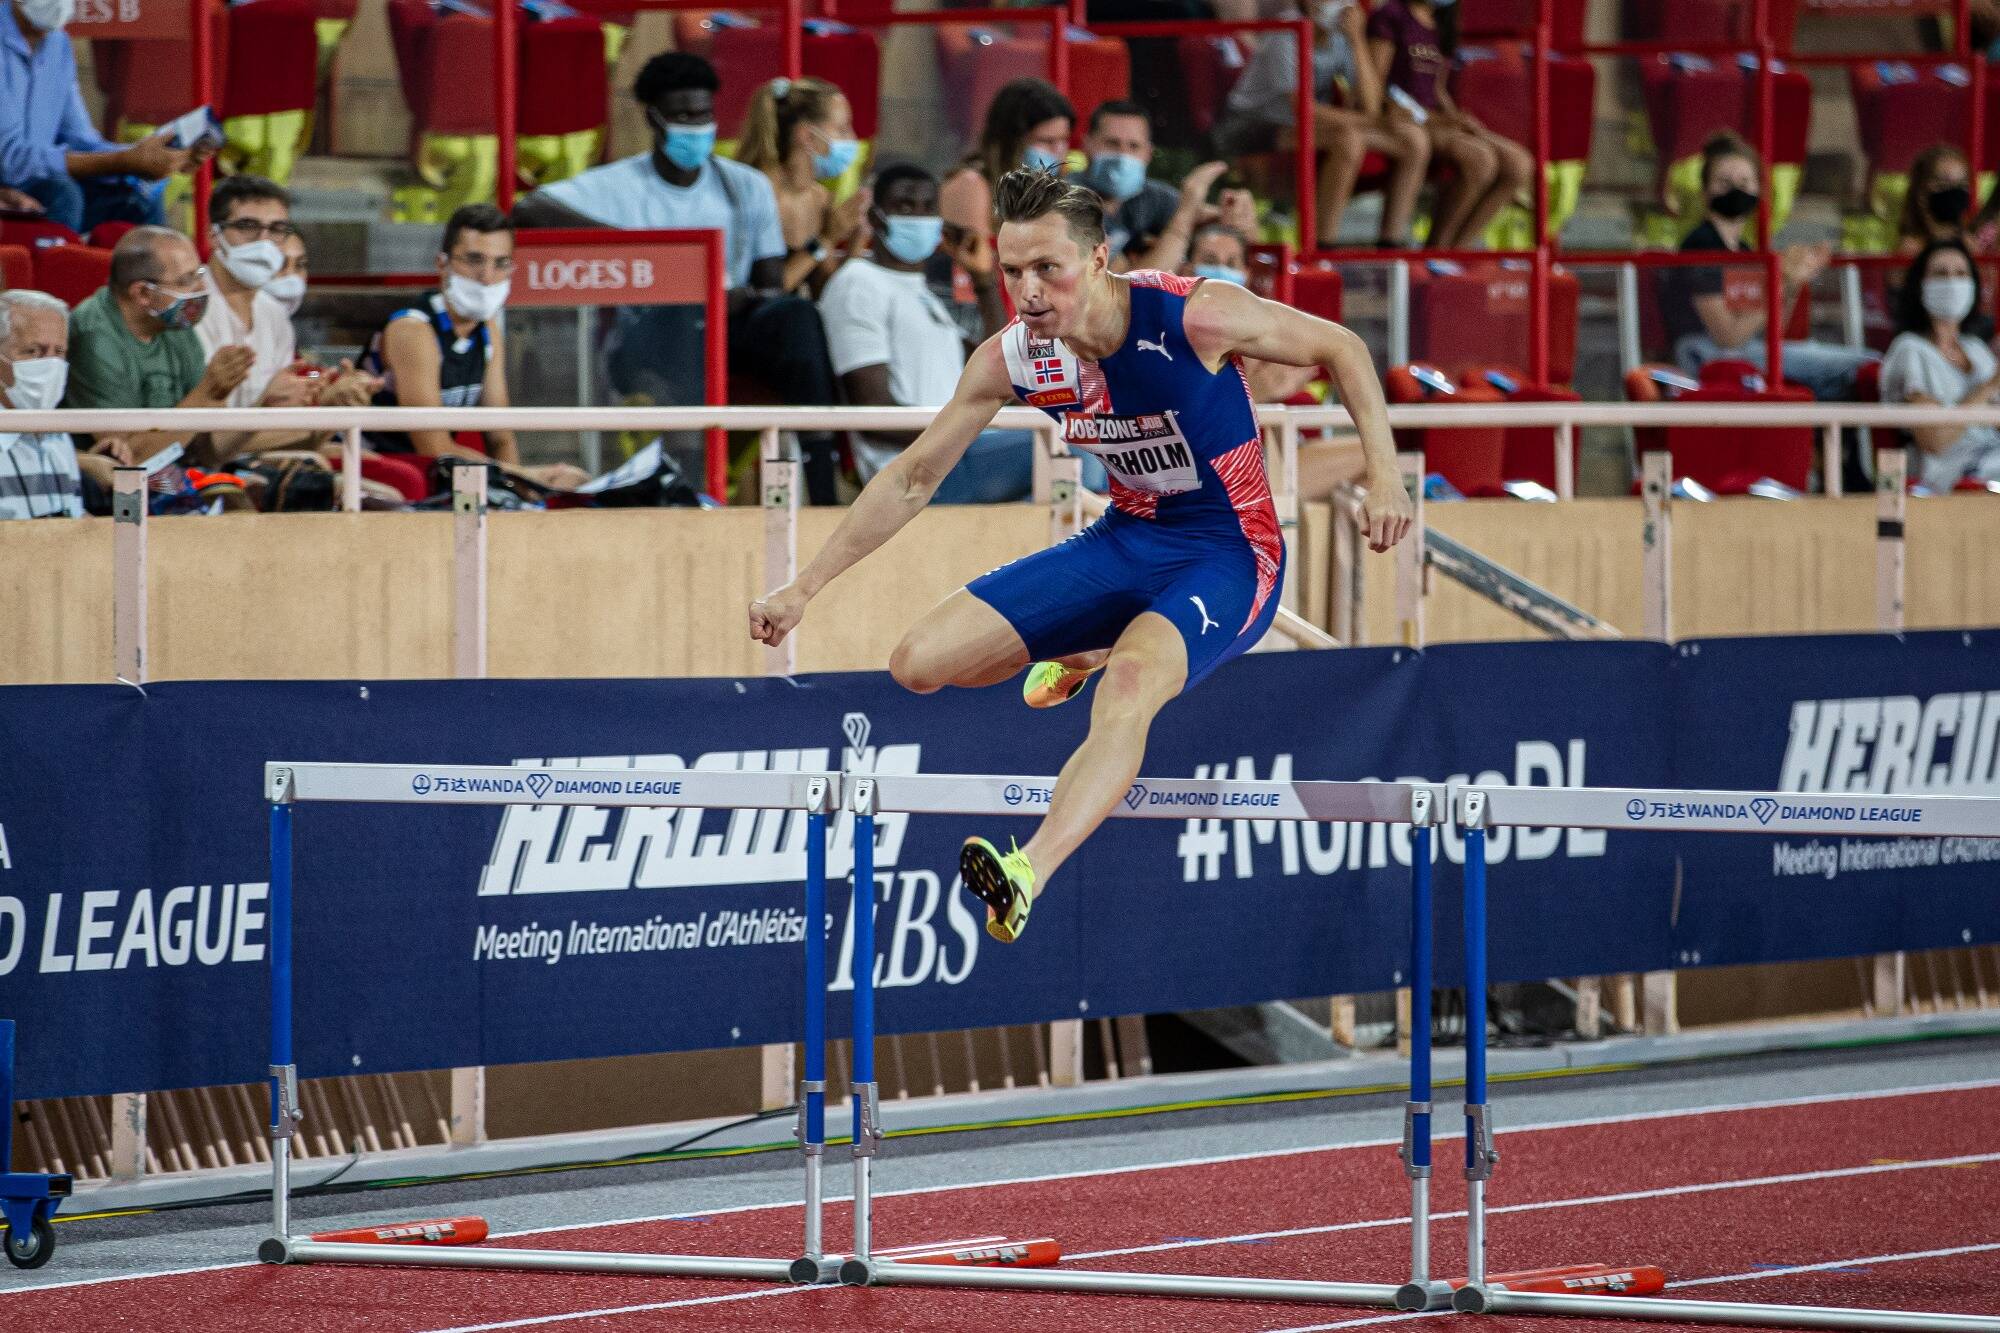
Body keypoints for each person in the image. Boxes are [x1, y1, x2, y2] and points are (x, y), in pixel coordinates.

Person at [750, 168, 1410, 942]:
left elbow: (1344, 346)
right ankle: (1091, 641)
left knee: (1129, 687)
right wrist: (806, 586)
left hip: (1227, 555)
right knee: (918, 663)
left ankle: (1027, 870)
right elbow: (913, 475)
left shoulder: (1196, 315)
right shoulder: (1017, 357)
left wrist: (1387, 477)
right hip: (1125, 540)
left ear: (1097, 261)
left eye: (1046, 270)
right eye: (1011, 271)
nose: (1027, 292)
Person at [515, 53, 842, 502]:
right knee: (684, 314)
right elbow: (528, 209)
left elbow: (769, 285)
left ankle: (823, 481)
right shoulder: (620, 184)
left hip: (731, 328)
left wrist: (735, 298)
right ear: (655, 118)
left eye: (703, 114)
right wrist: (654, 256)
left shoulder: (744, 185)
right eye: (683, 116)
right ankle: (689, 484)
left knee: (797, 316)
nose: (697, 126)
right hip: (648, 337)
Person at [819, 161, 1105, 502]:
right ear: (877, 217)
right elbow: (873, 410)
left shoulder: (922, 293)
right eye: (905, 207)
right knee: (1073, 442)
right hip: (917, 466)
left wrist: (984, 282)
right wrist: (969, 432)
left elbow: (1009, 367)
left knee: (1095, 434)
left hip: (961, 453)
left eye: (928, 208)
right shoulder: (858, 283)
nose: (918, 217)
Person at [361, 204, 587, 493]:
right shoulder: (413, 330)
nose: (487, 276)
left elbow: (500, 436)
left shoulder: (488, 331)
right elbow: (433, 446)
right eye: (474, 259)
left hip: (433, 470)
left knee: (573, 484)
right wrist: (523, 475)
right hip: (377, 465)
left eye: (501, 263)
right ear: (442, 264)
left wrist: (525, 496)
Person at [1662, 132, 1877, 401]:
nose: (1735, 189)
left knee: (1853, 374)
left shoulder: (1744, 250)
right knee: (1860, 365)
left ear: (1758, 190)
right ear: (1706, 192)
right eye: (1724, 182)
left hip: (1749, 349)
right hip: (1706, 354)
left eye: (1744, 181)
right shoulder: (1700, 244)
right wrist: (1780, 283)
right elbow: (1728, 336)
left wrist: (1793, 281)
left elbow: (1771, 330)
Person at [1214, 0, 1429, 248]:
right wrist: (1373, 122)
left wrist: (1357, 39)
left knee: (1413, 140)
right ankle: (1321, 247)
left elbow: (1371, 103)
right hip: (1251, 126)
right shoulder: (1285, 32)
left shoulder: (1340, 37)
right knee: (1348, 138)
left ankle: (1391, 244)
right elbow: (1302, 107)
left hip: (1303, 126)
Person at [193, 174, 379, 457]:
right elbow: (203, 448)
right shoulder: (189, 310)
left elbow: (284, 437)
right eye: (247, 226)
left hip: (259, 466)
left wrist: (331, 408)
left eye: (277, 229)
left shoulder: (274, 317)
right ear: (213, 235)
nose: (264, 241)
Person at [0, 0, 200, 235]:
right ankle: (56, 269)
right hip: (13, 184)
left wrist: (158, 154)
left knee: (139, 193)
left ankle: (159, 270)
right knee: (62, 192)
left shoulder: (58, 43)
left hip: (36, 176)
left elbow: (81, 139)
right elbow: (11, 160)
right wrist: (124, 161)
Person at [64, 226, 254, 468]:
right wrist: (206, 392)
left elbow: (209, 450)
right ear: (143, 293)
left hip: (178, 473)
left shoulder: (173, 324)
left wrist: (265, 403)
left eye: (199, 275)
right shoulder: (94, 337)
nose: (200, 289)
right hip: (109, 492)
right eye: (187, 280)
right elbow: (127, 461)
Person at [1366, 0, 1530, 249]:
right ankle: (1437, 250)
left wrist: (1458, 118)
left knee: (1519, 163)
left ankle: (1458, 250)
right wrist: (1435, 119)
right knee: (1480, 159)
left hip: (1436, 119)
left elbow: (1437, 89)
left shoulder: (1442, 21)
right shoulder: (1391, 15)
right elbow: (1377, 87)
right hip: (1408, 120)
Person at [1072, 100, 1252, 274]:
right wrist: (1188, 207)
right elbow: (1128, 288)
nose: (1123, 155)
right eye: (1112, 143)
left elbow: (1201, 217)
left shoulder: (1153, 196)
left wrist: (1233, 214)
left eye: (1134, 146)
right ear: (1086, 144)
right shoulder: (1065, 199)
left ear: (1148, 153)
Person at [1880, 238, 2000, 491]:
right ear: (1920, 286)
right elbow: (1935, 440)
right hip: (1948, 473)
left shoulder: (1976, 349)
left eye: (1960, 273)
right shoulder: (1910, 349)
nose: (1952, 282)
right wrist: (1989, 388)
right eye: (1940, 273)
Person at [0, 288, 128, 518]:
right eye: (32, 351)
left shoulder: (57, 435)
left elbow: (69, 519)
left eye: (59, 352)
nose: (50, 364)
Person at [735, 76, 866, 297]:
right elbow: (767, 291)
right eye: (842, 129)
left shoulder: (819, 198)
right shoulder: (756, 194)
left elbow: (827, 291)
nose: (853, 139)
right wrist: (826, 238)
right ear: (807, 136)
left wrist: (855, 246)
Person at [940, 78, 1075, 249]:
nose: (1058, 151)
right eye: (1046, 140)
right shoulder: (971, 185)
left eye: (1064, 139)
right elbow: (972, 265)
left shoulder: (1049, 192)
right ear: (1010, 142)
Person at [1897, 144, 1972, 256]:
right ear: (1921, 193)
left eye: (1962, 185)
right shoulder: (1910, 250)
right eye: (1943, 185)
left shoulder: (1971, 246)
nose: (1954, 192)